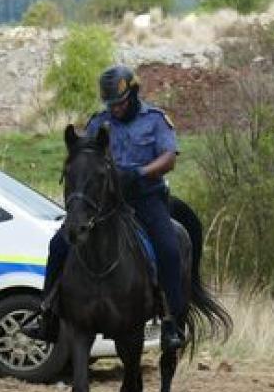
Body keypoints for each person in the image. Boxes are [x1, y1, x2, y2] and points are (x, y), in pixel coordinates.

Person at [23, 65, 185, 351]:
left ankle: (171, 321)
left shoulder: (156, 120)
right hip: (105, 203)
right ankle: (46, 313)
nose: (116, 109)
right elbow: (85, 155)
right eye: (111, 105)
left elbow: (169, 158)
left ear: (133, 95)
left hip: (145, 197)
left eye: (120, 103)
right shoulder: (99, 122)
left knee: (169, 249)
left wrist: (140, 173)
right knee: (58, 245)